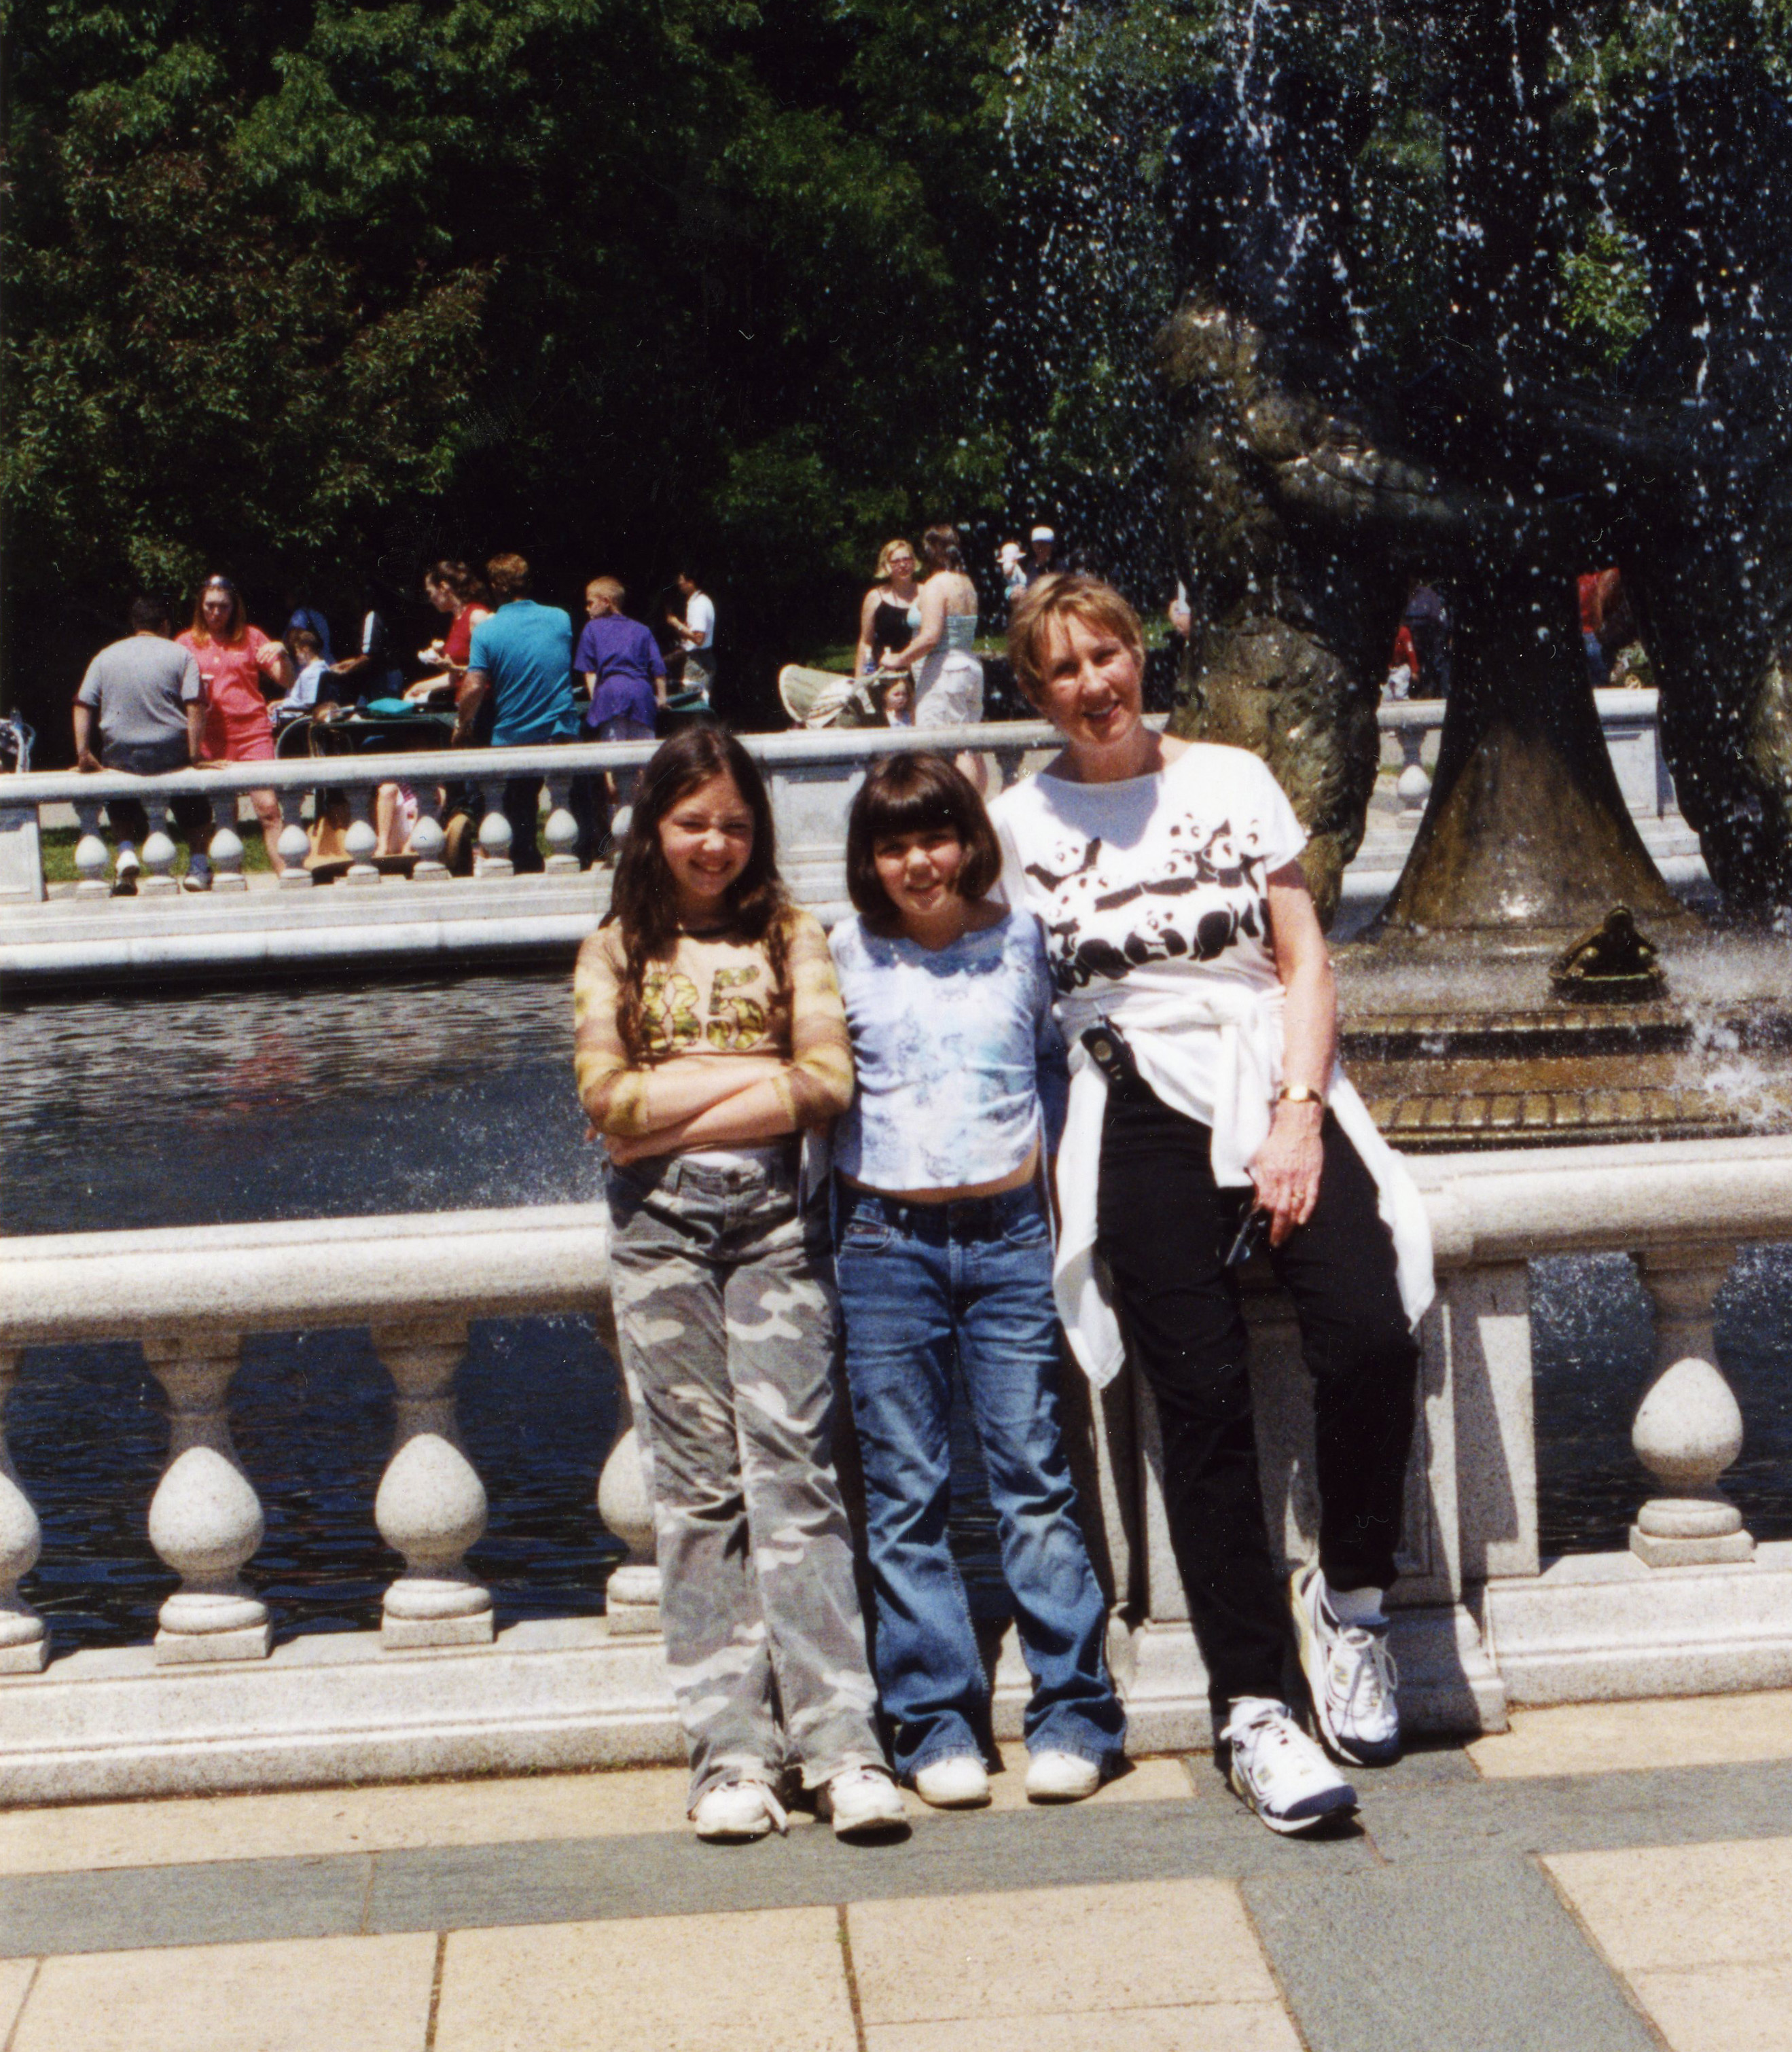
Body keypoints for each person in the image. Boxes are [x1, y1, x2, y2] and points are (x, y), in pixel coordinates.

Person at [990, 575, 1434, 1837]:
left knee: (1367, 1327)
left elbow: (1303, 954)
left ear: (1142, 653)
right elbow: (993, 995)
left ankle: (1347, 1602)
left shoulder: (1232, 776)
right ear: (1035, 690)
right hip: (1130, 1099)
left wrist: (1298, 1110)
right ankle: (1250, 1702)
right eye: (1062, 668)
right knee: (1198, 1397)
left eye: (1108, 653)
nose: (1092, 683)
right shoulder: (1015, 821)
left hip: (1268, 1078)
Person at [573, 725, 908, 1843]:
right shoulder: (613, 947)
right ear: (653, 828)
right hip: (659, 1241)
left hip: (777, 1233)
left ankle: (840, 1742)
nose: (714, 842)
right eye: (690, 822)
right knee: (697, 1489)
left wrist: (679, 1090)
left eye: (732, 821)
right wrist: (753, 1078)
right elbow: (603, 1103)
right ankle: (730, 1752)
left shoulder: (791, 932)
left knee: (799, 1476)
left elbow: (825, 1079)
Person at [829, 753, 1126, 1807]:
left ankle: (1075, 1710)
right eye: (894, 843)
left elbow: (1074, 1076)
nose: (918, 861)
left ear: (970, 841)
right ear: (870, 859)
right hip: (883, 1243)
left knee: (1033, 1479)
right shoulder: (842, 954)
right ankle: (934, 1720)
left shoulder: (1026, 946)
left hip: (1006, 1243)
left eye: (936, 836)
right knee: (906, 1492)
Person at [454, 554, 595, 870]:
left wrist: (462, 725)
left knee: (518, 819)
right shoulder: (561, 619)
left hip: (513, 734)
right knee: (574, 805)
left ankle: (526, 862)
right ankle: (583, 860)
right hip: (560, 729)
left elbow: (474, 687)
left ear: (494, 587)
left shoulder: (487, 632)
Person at [72, 598, 207, 884]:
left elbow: (82, 703)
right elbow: (195, 706)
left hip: (123, 751)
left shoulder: (105, 656)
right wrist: (195, 755)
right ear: (165, 625)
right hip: (170, 749)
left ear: (135, 625)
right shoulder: (182, 655)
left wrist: (83, 752)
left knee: (117, 790)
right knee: (193, 797)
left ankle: (125, 853)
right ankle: (198, 864)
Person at [182, 576, 292, 859]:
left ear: (235, 607)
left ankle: (287, 880)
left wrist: (284, 653)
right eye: (210, 606)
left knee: (268, 808)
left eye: (223, 607)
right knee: (223, 814)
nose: (216, 613)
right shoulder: (186, 642)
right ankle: (231, 881)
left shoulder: (252, 637)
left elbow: (286, 680)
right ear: (200, 606)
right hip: (211, 736)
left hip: (252, 733)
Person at [878, 526, 984, 785]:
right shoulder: (966, 582)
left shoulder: (937, 584)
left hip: (945, 671)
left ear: (931, 552)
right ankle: (975, 807)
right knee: (969, 746)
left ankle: (958, 808)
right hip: (970, 667)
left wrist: (898, 659)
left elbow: (930, 637)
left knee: (935, 746)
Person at [575, 577, 667, 807]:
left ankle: (617, 821)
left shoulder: (592, 629)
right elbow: (659, 671)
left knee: (612, 765)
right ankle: (644, 824)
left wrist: (598, 700)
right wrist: (663, 699)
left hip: (611, 695)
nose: (587, 609)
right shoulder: (642, 630)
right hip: (642, 696)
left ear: (606, 601)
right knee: (644, 764)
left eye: (590, 603)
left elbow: (589, 672)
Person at [409, 562, 491, 706]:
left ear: (444, 587)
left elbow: (489, 670)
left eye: (430, 592)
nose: (430, 599)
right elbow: (454, 679)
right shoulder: (457, 619)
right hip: (464, 705)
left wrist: (456, 669)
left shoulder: (477, 616)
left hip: (483, 706)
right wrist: (419, 687)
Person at [853, 540, 922, 678]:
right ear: (886, 566)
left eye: (907, 559)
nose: (902, 565)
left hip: (920, 670)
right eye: (895, 562)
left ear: (914, 562)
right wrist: (859, 680)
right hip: (885, 673)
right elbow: (866, 642)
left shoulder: (927, 592)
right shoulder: (874, 597)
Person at [663, 569, 717, 698]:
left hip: (699, 662)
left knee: (693, 702)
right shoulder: (695, 602)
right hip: (696, 659)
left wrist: (676, 623)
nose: (679, 586)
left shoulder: (700, 604)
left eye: (681, 583)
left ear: (691, 582)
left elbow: (699, 639)